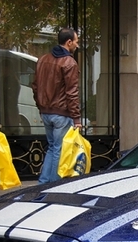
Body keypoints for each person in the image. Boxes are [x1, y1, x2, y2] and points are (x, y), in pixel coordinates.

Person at [32, 28, 82, 184]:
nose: (77, 45)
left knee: (53, 148)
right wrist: (77, 118)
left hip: (46, 112)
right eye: (76, 41)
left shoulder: (43, 59)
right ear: (69, 42)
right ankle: (52, 185)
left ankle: (43, 182)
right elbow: (72, 92)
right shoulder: (69, 62)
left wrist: (41, 107)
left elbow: (35, 86)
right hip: (61, 113)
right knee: (58, 150)